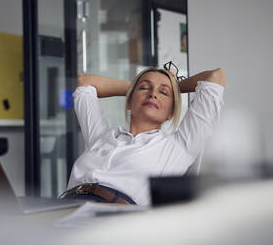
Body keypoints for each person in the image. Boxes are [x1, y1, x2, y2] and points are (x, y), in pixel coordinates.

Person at [60, 62, 226, 205]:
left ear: (171, 112)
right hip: (66, 206)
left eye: (163, 93)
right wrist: (137, 89)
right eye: (145, 88)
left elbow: (215, 76)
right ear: (130, 101)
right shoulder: (101, 136)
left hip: (113, 219)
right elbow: (84, 82)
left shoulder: (180, 146)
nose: (152, 94)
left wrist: (173, 86)